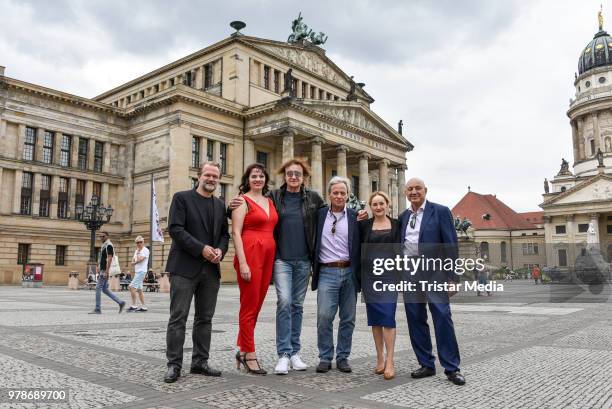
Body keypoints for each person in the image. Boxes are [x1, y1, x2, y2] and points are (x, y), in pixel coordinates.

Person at [230, 159, 324, 374]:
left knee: (295, 306)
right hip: (278, 259)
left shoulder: (312, 198)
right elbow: (240, 217)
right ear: (284, 176)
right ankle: (280, 354)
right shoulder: (275, 196)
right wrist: (230, 205)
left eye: (297, 174)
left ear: (304, 177)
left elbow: (329, 214)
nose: (293, 177)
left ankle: (293, 353)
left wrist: (358, 214)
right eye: (290, 173)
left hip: (299, 260)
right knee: (283, 302)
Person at [164, 162, 230, 383]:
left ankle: (200, 362)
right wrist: (201, 248)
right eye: (208, 175)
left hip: (210, 270)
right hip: (184, 267)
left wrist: (220, 250)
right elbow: (175, 229)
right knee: (178, 318)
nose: (211, 179)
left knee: (205, 319)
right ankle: (174, 365)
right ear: (199, 176)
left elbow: (224, 235)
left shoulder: (220, 205)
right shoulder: (182, 198)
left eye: (215, 176)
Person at [398, 177, 465, 385]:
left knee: (442, 316)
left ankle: (452, 368)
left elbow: (451, 246)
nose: (414, 192)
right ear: (405, 193)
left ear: (425, 190)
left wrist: (452, 277)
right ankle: (426, 363)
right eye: (410, 189)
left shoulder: (441, 211)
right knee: (415, 318)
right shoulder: (403, 217)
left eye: (418, 188)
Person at [232, 163, 279, 375]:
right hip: (250, 253)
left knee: (256, 305)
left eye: (261, 176)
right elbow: (235, 232)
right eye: (254, 176)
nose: (258, 179)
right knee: (249, 306)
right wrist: (242, 262)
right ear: (247, 179)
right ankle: (249, 354)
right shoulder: (242, 200)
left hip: (268, 254)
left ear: (265, 179)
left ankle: (241, 349)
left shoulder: (270, 201)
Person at [312, 176, 360, 374]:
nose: (339, 196)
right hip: (327, 271)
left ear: (348, 195)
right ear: (329, 194)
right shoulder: (319, 214)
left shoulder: (356, 217)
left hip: (349, 271)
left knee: (348, 318)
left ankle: (343, 357)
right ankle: (325, 356)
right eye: (335, 193)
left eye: (343, 193)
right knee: (324, 316)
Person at [359, 191, 400, 380]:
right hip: (370, 277)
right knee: (375, 319)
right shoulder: (365, 225)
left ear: (387, 204)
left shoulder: (397, 225)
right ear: (371, 207)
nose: (378, 207)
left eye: (381, 203)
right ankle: (380, 359)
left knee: (388, 318)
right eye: (374, 204)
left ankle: (390, 360)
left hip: (390, 276)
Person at [89, 231, 125, 314]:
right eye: (100, 236)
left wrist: (106, 271)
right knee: (104, 289)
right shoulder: (104, 245)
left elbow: (110, 258)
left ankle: (97, 309)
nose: (101, 238)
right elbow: (102, 258)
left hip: (105, 270)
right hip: (103, 269)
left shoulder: (109, 245)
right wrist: (98, 267)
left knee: (98, 288)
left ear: (107, 236)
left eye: (103, 236)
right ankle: (120, 302)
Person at [127, 236, 150, 312]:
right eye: (137, 242)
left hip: (142, 271)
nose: (139, 243)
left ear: (143, 242)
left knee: (131, 287)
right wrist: (134, 261)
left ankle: (134, 306)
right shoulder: (136, 250)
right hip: (137, 271)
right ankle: (144, 307)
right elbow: (133, 260)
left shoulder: (145, 250)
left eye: (140, 242)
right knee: (139, 290)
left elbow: (140, 259)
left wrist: (134, 262)